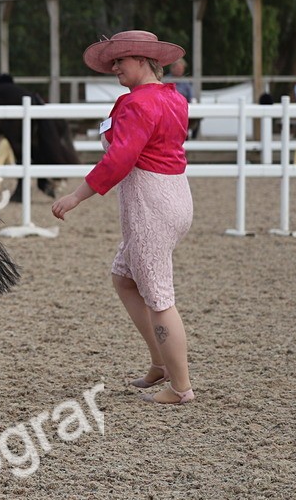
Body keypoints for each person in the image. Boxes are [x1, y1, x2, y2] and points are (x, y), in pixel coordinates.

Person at [51, 31, 195, 405]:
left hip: (150, 203)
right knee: (125, 277)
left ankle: (180, 388)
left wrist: (76, 196)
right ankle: (161, 364)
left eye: (120, 60)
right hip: (174, 195)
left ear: (142, 60)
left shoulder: (136, 104)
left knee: (159, 296)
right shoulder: (173, 97)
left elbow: (119, 159)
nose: (114, 67)